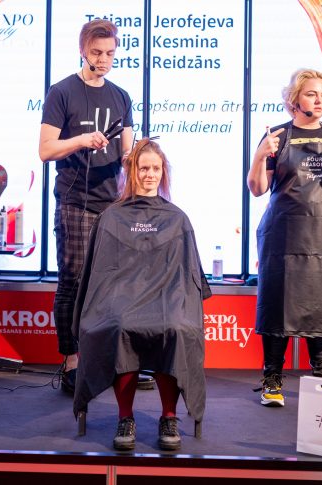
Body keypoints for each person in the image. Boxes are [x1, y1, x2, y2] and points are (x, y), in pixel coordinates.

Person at [72, 139, 211, 451]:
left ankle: (169, 416)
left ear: (163, 173)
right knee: (120, 325)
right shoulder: (111, 217)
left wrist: (176, 302)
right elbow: (101, 276)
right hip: (120, 300)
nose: (150, 175)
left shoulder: (177, 218)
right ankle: (125, 417)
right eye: (144, 168)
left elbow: (188, 277)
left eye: (156, 169)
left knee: (174, 327)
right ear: (132, 171)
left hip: (166, 300)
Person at [39, 18, 153, 394]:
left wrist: (139, 157)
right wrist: (82, 139)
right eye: (96, 53)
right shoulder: (62, 92)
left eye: (109, 54)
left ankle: (118, 361)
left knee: (116, 283)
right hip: (75, 201)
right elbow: (45, 150)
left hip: (113, 204)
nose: (103, 60)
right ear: (82, 51)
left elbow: (127, 152)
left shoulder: (121, 96)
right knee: (73, 280)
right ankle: (71, 361)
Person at [248, 68, 322, 407]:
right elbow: (257, 189)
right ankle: (272, 379)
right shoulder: (276, 136)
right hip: (283, 234)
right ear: (294, 99)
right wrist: (260, 156)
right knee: (277, 305)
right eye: (312, 94)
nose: (319, 101)